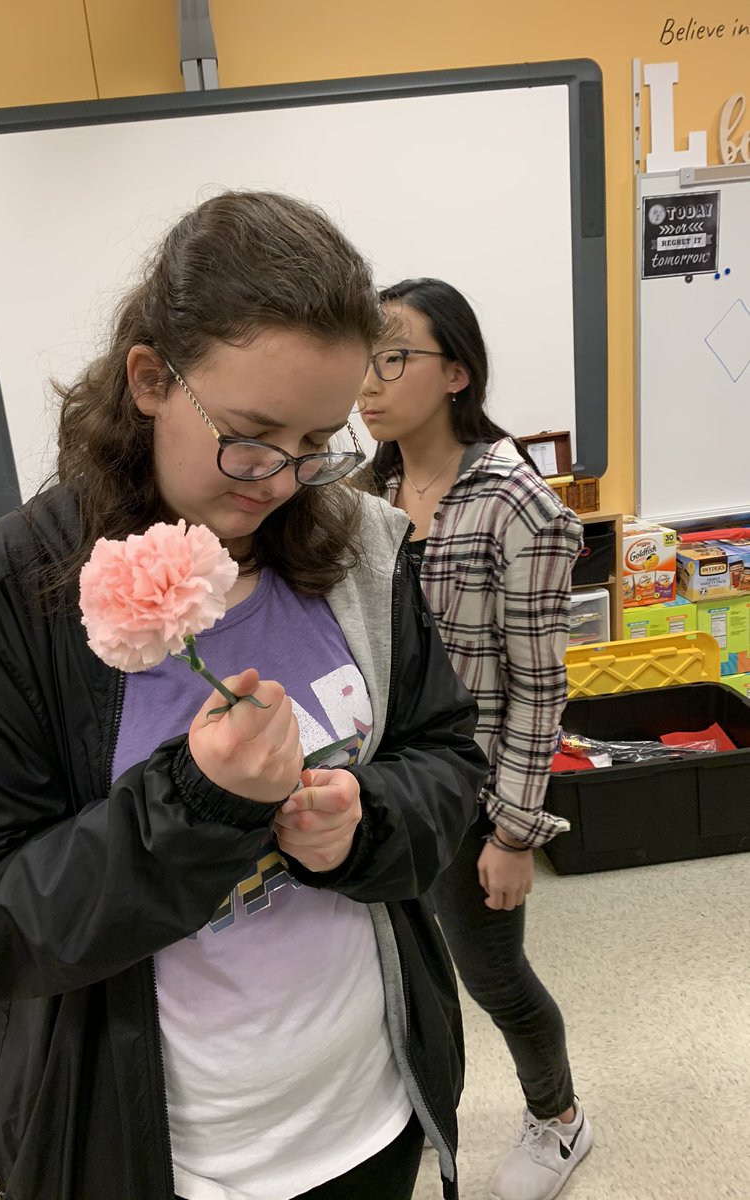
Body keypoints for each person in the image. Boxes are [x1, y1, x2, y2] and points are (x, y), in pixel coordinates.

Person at [0, 197, 488, 1200]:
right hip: (153, 1156)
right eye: (249, 436)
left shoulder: (362, 551)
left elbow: (445, 761)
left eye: (317, 441)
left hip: (369, 1114)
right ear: (152, 379)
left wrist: (363, 823)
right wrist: (195, 807)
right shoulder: (11, 594)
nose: (282, 481)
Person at [356, 278, 591, 1200]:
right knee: (393, 975)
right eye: (362, 359)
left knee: (493, 974)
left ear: (456, 372)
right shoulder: (359, 493)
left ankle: (559, 1117)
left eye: (393, 357)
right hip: (381, 790)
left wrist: (514, 833)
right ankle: (406, 1110)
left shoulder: (515, 505)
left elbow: (541, 684)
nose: (369, 383)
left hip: (471, 796)